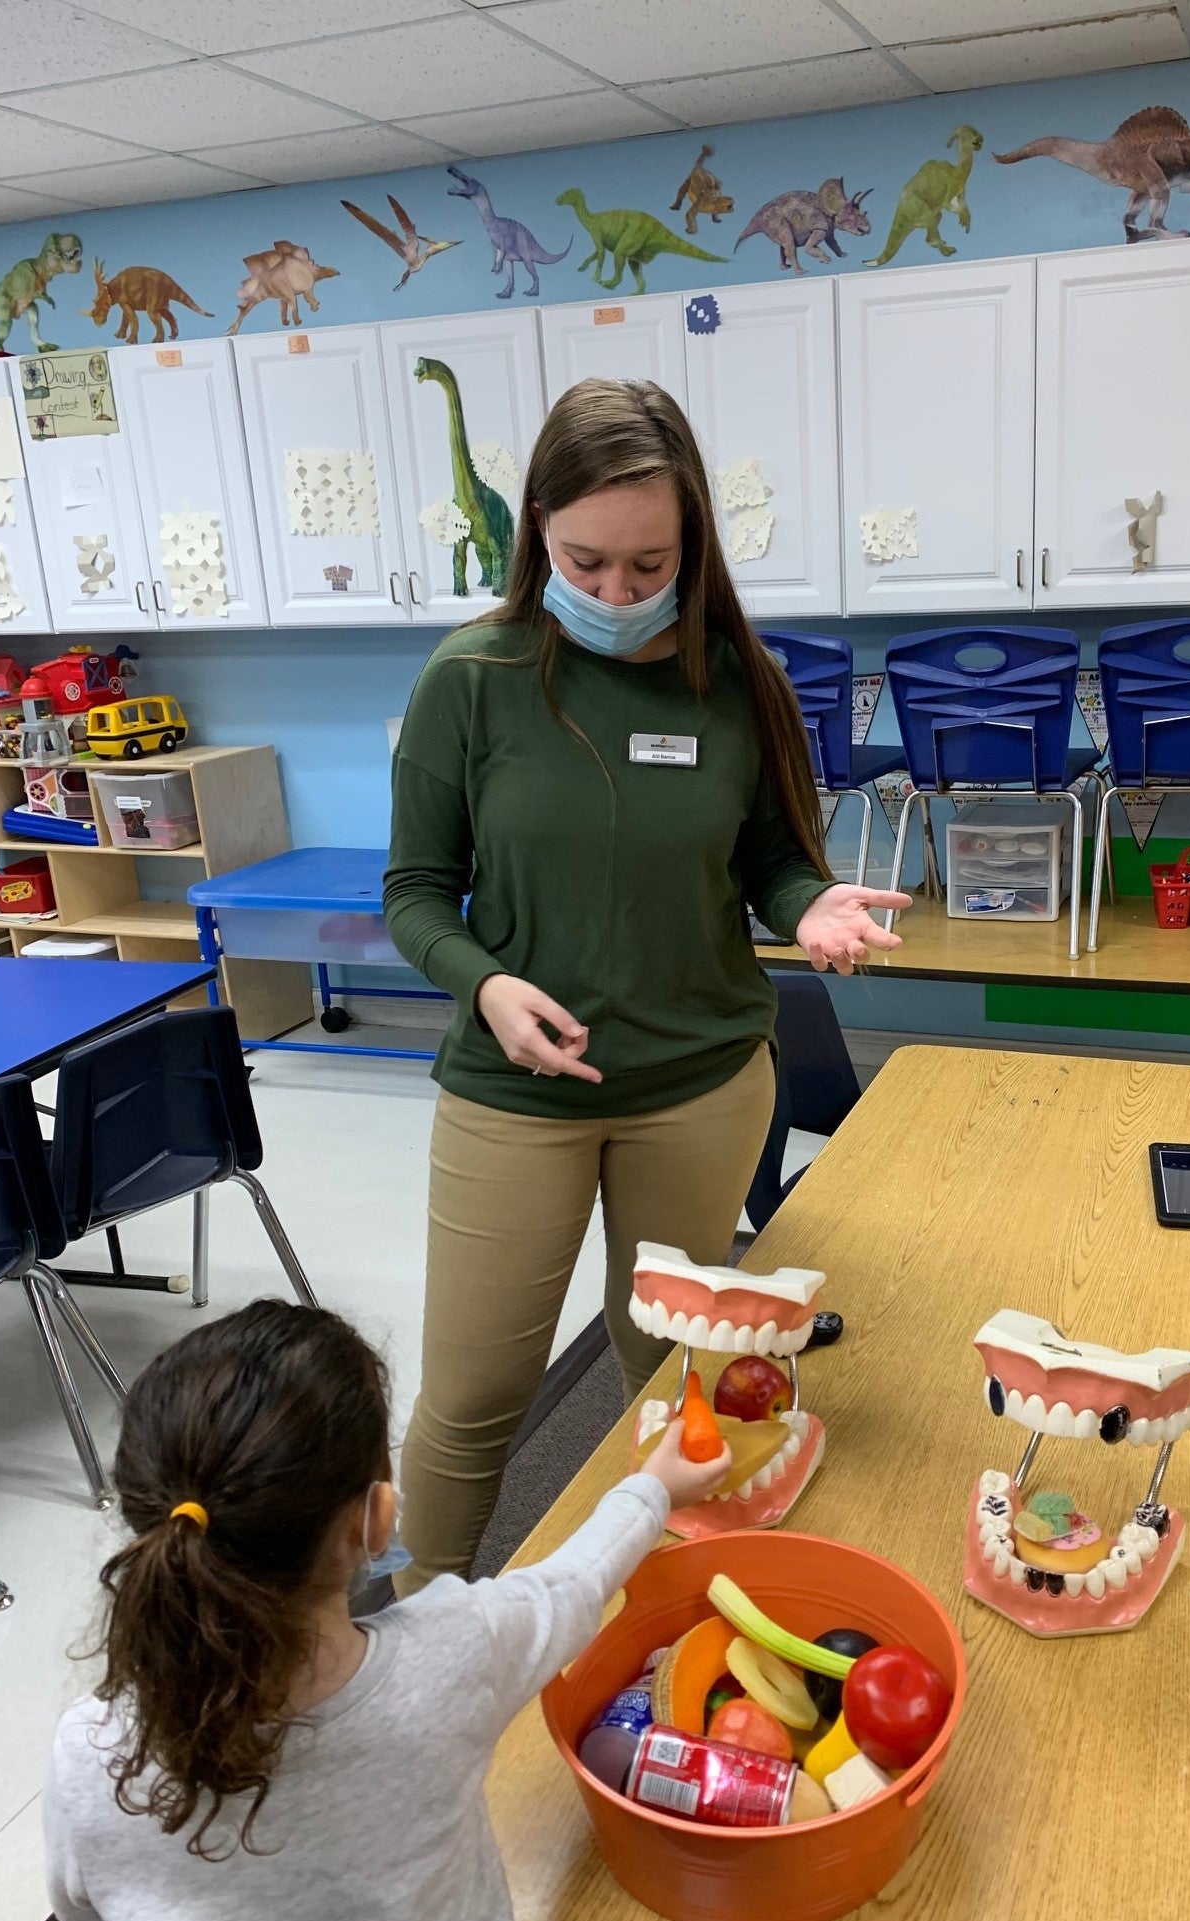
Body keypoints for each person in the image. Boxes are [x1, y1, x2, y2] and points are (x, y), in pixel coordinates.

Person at [384, 376, 908, 1592]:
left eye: (647, 564)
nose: (616, 593)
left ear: (692, 547)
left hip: (702, 1084)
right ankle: (405, 1650)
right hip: (514, 1098)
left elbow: (774, 862)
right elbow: (413, 892)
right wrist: (485, 985)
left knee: (671, 1370)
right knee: (473, 1399)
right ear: (537, 536)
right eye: (587, 560)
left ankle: (663, 1597)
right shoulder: (470, 680)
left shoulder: (736, 682)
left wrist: (808, 903)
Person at [44, 1299, 730, 1921]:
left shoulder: (85, 1754)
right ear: (374, 1519)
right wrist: (654, 1488)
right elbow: (576, 1581)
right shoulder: (458, 1652)